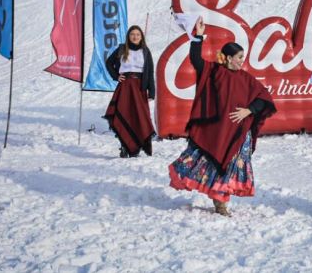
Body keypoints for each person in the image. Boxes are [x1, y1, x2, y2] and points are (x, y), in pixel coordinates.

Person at [169, 18, 276, 216]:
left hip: (238, 133)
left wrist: (249, 110)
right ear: (227, 58)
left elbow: (265, 99)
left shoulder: (246, 79)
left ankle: (221, 202)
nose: (241, 61)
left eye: (243, 57)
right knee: (210, 162)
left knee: (230, 165)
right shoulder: (215, 71)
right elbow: (196, 60)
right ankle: (218, 200)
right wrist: (198, 37)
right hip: (218, 131)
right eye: (238, 57)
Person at [105, 25, 155, 158]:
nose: (135, 37)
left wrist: (152, 91)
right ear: (129, 36)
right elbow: (109, 63)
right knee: (124, 114)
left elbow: (150, 72)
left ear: (141, 37)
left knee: (140, 117)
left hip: (139, 87)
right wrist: (116, 76)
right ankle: (124, 146)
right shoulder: (122, 49)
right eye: (132, 34)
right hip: (125, 87)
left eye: (138, 34)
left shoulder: (145, 51)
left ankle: (137, 145)